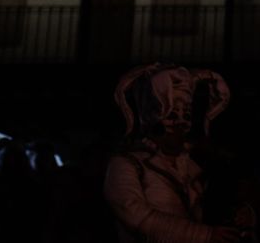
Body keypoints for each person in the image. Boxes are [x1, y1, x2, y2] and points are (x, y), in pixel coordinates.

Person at [103, 63, 243, 243]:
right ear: (153, 120)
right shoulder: (125, 164)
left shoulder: (193, 167)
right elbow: (136, 216)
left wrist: (240, 213)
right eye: (172, 116)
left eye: (186, 116)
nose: (181, 125)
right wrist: (203, 235)